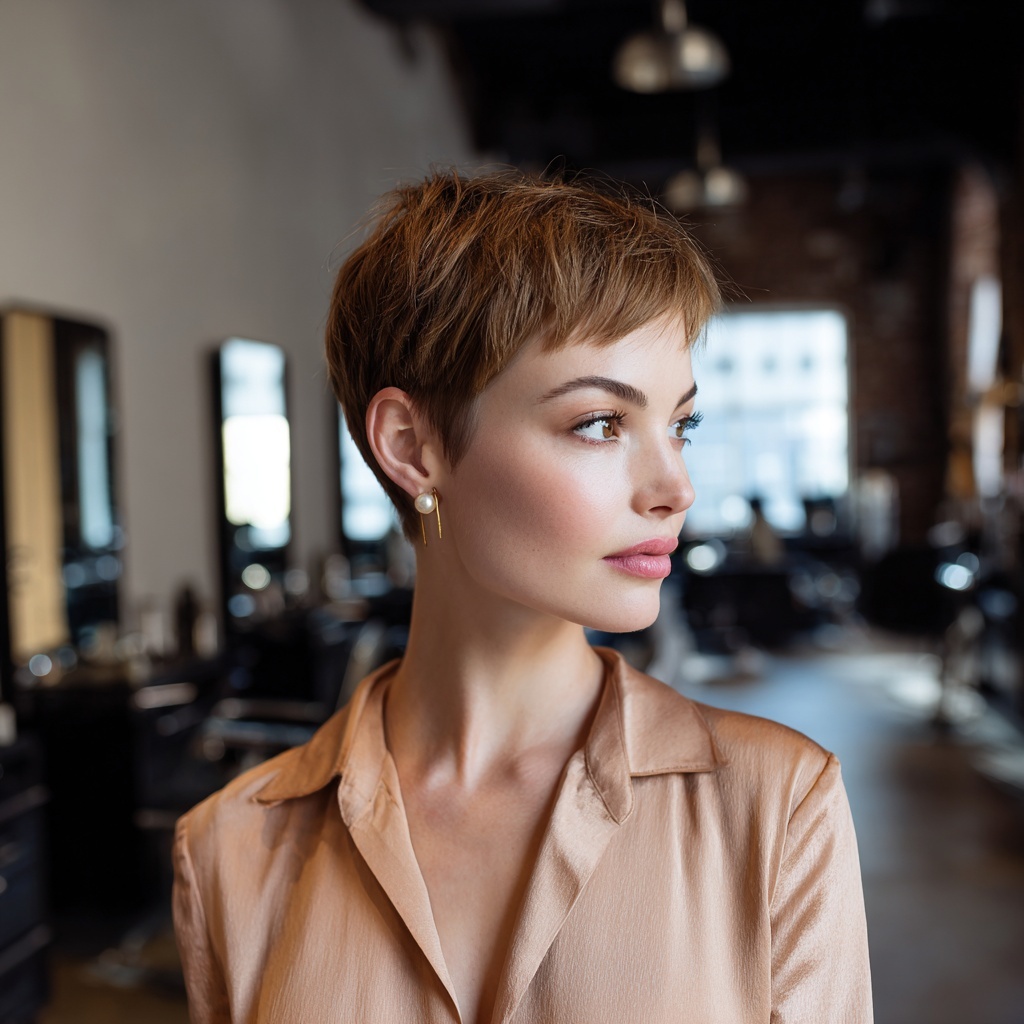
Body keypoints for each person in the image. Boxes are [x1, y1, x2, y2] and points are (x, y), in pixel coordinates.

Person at [172, 171, 873, 1023]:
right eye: (600, 424)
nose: (675, 486)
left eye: (679, 425)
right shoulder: (231, 849)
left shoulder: (776, 807)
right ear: (411, 444)